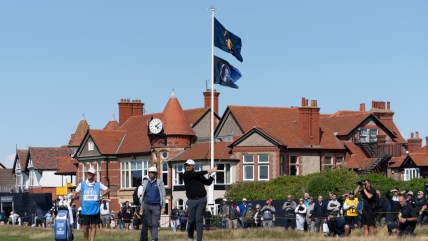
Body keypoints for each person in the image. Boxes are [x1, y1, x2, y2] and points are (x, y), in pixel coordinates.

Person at [182, 159, 217, 241]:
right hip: (191, 201)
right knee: (191, 221)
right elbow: (196, 174)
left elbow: (207, 182)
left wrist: (212, 176)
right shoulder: (186, 175)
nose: (187, 167)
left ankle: (199, 239)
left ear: (193, 166)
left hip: (202, 200)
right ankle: (190, 237)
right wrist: (209, 170)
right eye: (186, 165)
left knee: (199, 221)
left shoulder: (199, 175)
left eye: (189, 165)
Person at [74, 167, 109, 241]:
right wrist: (76, 196)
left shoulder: (98, 184)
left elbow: (107, 189)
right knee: (85, 226)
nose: (89, 174)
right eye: (88, 173)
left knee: (94, 226)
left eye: (91, 173)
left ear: (94, 175)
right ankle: (86, 239)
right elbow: (76, 192)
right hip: (85, 209)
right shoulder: (82, 184)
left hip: (95, 209)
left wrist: (101, 195)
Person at [137, 166, 166, 241]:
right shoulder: (146, 182)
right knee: (149, 224)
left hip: (156, 206)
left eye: (152, 172)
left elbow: (163, 194)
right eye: (149, 172)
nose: (151, 174)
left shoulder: (160, 182)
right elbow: (143, 195)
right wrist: (141, 207)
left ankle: (154, 239)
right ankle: (154, 237)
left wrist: (163, 206)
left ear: (156, 174)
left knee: (155, 223)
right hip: (146, 205)